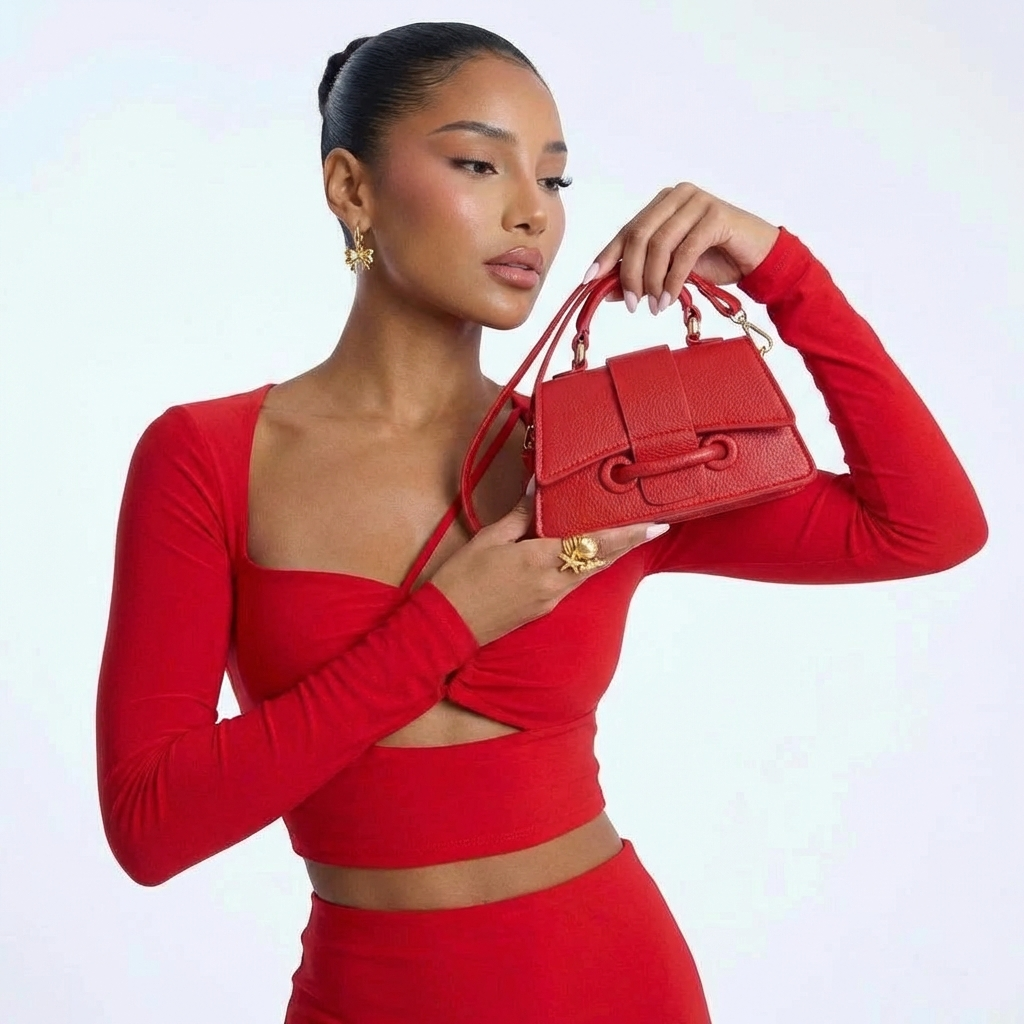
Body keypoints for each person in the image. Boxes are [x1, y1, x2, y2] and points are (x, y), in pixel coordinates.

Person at [94, 21, 988, 1024]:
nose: (532, 213)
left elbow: (924, 527)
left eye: (554, 180)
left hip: (615, 983)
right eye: (479, 164)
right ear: (351, 188)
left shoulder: (600, 452)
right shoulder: (211, 457)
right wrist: (449, 623)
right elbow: (151, 826)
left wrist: (786, 273)